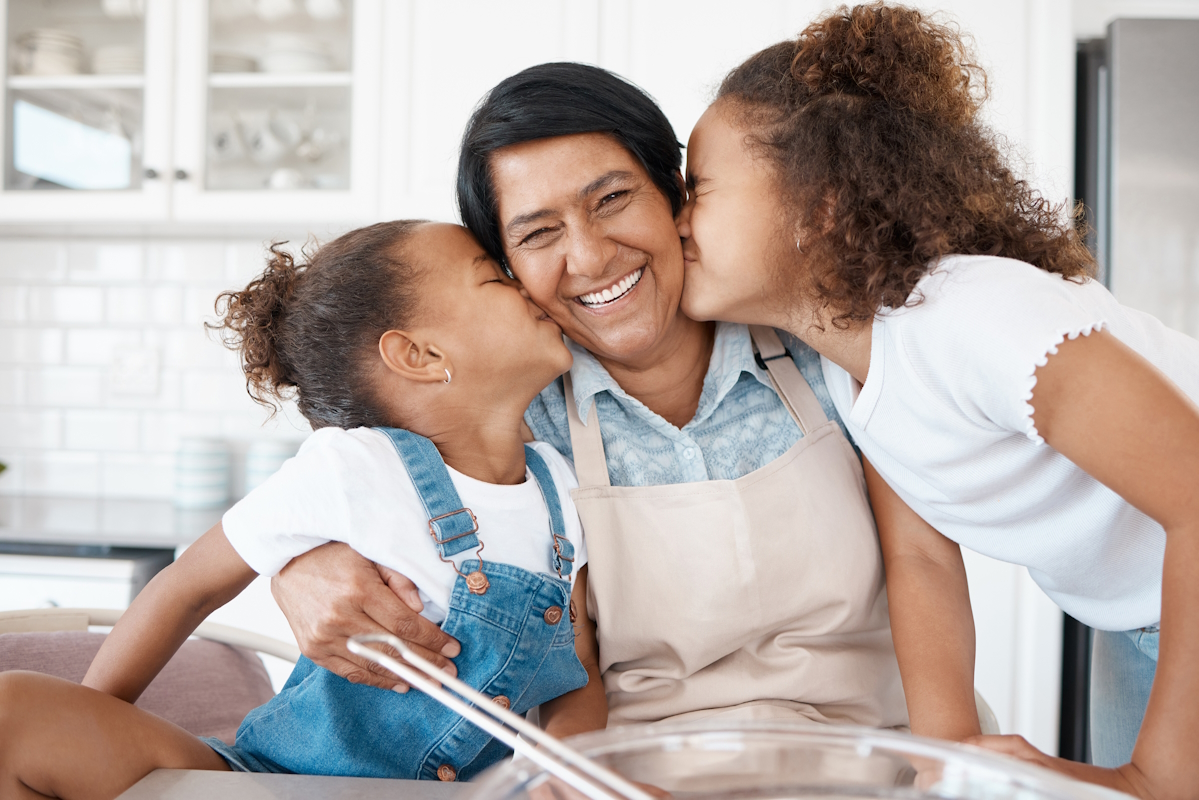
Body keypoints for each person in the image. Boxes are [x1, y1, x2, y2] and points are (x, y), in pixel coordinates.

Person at [272, 63, 908, 730]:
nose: (591, 256)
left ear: (675, 194)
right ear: (509, 270)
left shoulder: (818, 343)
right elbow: (352, 466)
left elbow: (924, 558)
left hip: (868, 762)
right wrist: (298, 560)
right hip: (641, 776)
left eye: (610, 200)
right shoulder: (513, 420)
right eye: (538, 233)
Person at [673, 4, 1199, 798]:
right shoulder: (849, 366)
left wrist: (1155, 777)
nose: (675, 222)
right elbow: (919, 559)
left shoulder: (972, 316)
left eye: (697, 188)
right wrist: (941, 762)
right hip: (1142, 621)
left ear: (818, 205)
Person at [0, 221, 603, 798]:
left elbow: (577, 677)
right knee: (14, 712)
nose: (527, 284)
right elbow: (186, 587)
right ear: (418, 354)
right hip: (262, 782)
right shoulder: (353, 467)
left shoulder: (559, 490)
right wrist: (96, 720)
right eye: (494, 278)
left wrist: (568, 779)